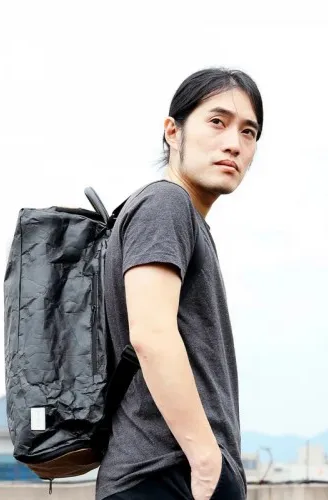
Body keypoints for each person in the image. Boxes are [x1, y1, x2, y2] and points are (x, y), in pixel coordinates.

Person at [96, 67, 264, 500]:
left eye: (248, 132)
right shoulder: (165, 203)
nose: (234, 143)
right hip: (167, 475)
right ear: (173, 131)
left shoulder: (182, 216)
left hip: (171, 474)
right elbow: (151, 335)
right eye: (217, 121)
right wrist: (206, 460)